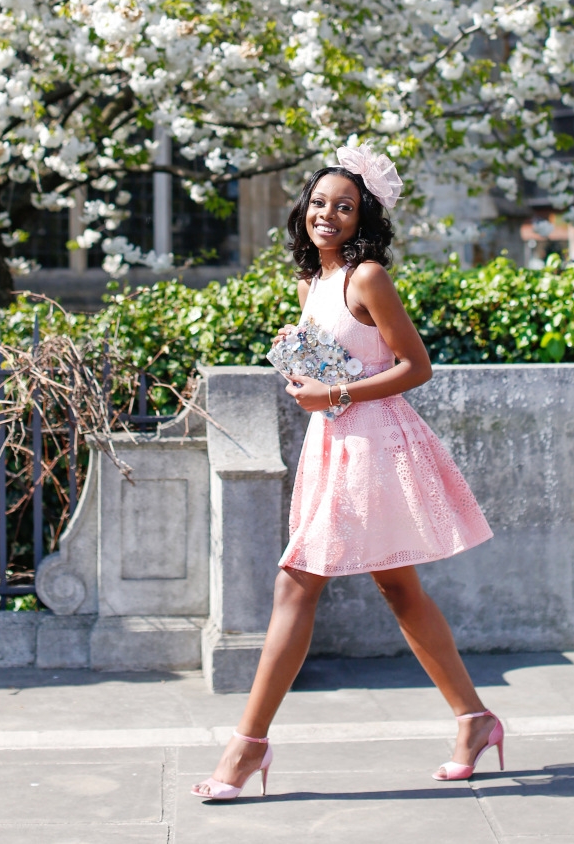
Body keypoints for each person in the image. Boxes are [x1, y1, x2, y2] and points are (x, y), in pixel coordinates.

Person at [192, 144, 503, 802]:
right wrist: (311, 373)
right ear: (304, 209)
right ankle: (475, 720)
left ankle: (246, 746)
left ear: (362, 219)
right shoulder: (312, 283)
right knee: (399, 592)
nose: (327, 214)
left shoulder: (368, 277)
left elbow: (416, 367)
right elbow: (350, 364)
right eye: (319, 202)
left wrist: (334, 395)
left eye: (344, 206)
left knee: (295, 582)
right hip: (330, 443)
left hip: (374, 447)